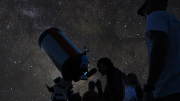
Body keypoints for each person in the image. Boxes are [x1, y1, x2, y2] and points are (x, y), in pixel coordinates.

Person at [137, 0, 180, 101]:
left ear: (151, 4)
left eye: (144, 10)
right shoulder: (175, 21)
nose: (144, 15)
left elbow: (159, 49)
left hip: (165, 89)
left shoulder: (155, 16)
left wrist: (149, 87)